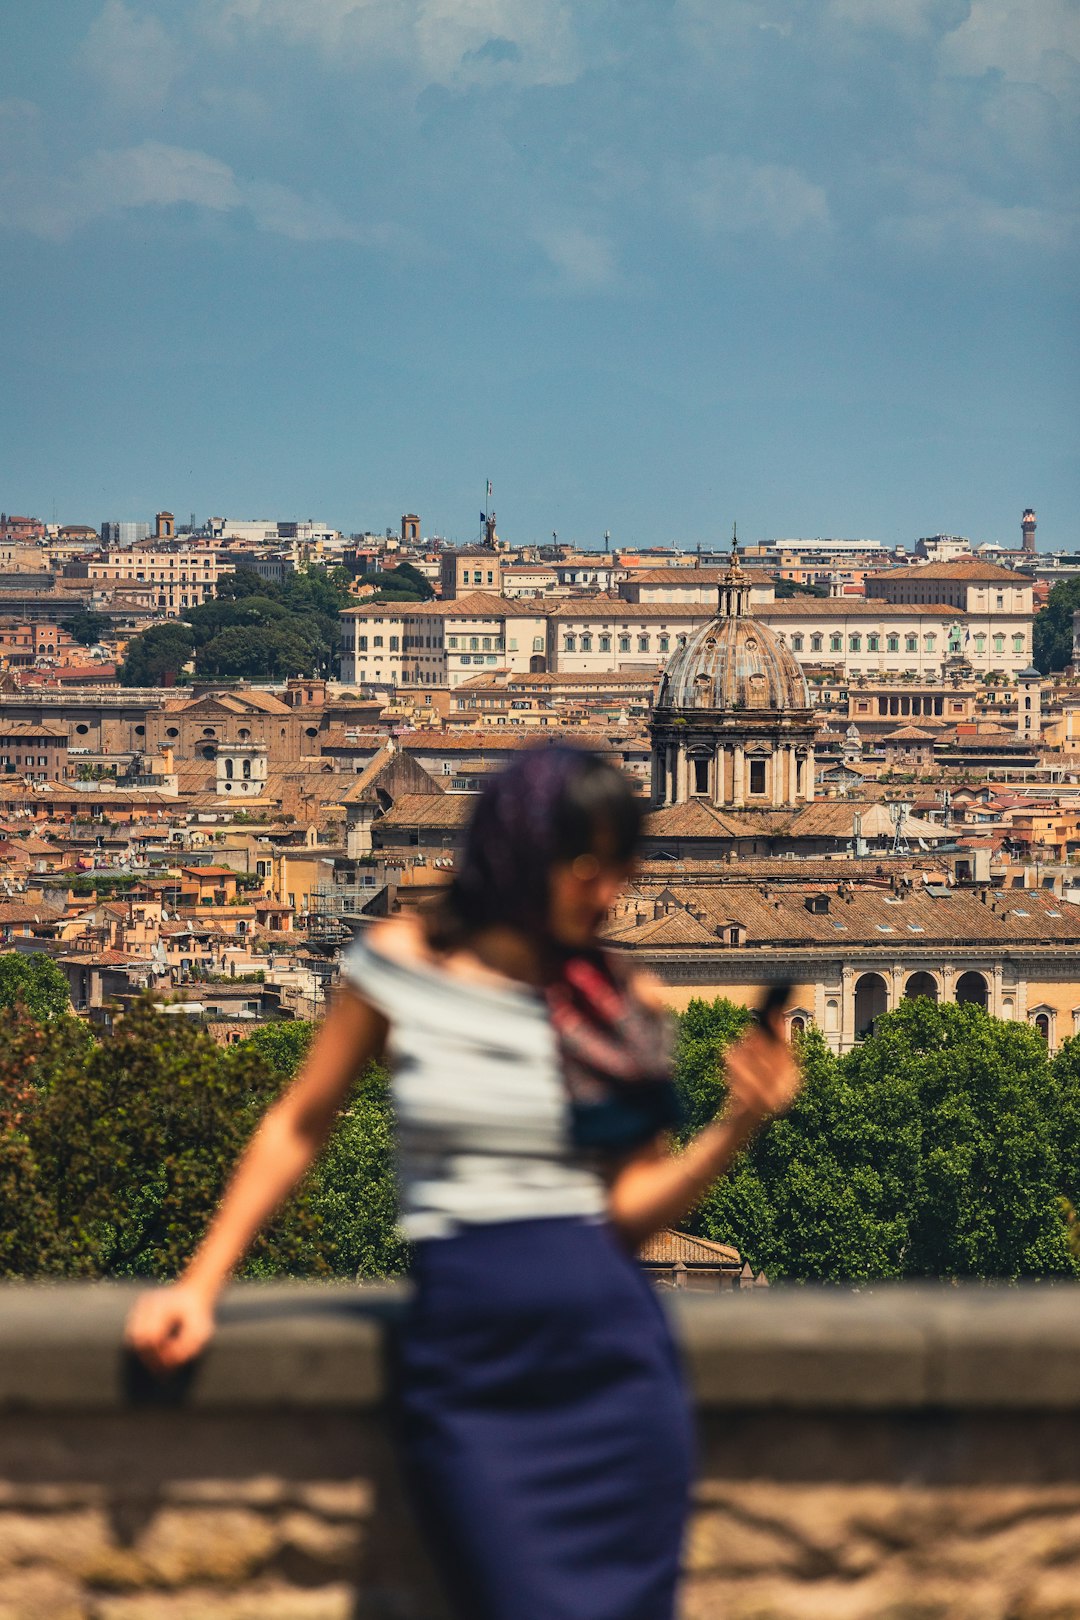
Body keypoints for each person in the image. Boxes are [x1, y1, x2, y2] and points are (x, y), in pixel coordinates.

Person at [127, 745, 800, 1620]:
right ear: (520, 848)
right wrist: (200, 1283)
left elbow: (630, 1215)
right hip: (471, 1368)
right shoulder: (400, 966)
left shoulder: (623, 1004)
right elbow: (301, 1121)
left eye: (621, 870)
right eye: (588, 866)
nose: (608, 895)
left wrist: (736, 1126)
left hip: (618, 1370)